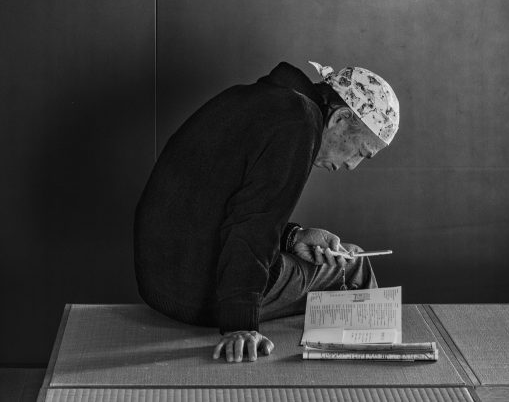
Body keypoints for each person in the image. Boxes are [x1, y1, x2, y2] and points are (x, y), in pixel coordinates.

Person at [133, 60, 399, 363]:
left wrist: (294, 237)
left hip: (161, 279)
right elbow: (252, 228)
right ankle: (374, 364)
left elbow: (225, 205)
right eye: (361, 152)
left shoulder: (259, 99)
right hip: (199, 293)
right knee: (352, 264)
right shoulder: (299, 126)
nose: (352, 165)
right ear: (339, 118)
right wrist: (240, 325)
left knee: (313, 257)